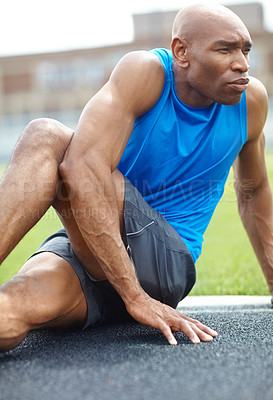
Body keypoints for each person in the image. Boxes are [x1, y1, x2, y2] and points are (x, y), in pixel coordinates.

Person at [0, 3, 271, 353]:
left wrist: (136, 295)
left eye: (245, 50)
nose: (243, 64)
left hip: (163, 263)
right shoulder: (146, 73)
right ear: (181, 52)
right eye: (225, 49)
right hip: (95, 246)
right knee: (12, 308)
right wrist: (131, 296)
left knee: (47, 136)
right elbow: (83, 168)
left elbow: (254, 191)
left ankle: (131, 294)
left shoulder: (251, 101)